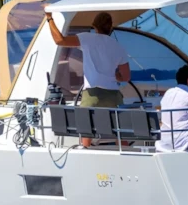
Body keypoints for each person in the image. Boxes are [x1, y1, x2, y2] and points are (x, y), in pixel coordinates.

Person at [44, 10, 131, 148]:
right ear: (110, 27)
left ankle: (85, 151)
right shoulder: (118, 46)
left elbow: (60, 40)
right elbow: (125, 77)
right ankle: (126, 153)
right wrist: (114, 76)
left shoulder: (87, 38)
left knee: (86, 129)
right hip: (113, 95)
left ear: (95, 26)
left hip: (92, 94)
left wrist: (49, 18)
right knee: (119, 132)